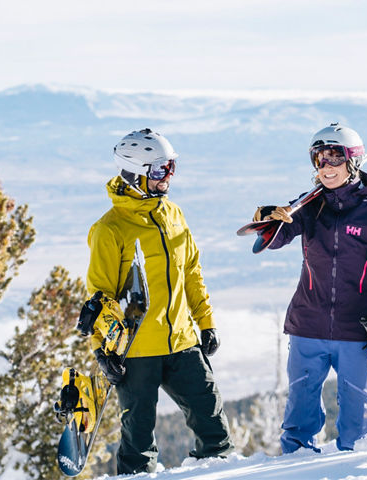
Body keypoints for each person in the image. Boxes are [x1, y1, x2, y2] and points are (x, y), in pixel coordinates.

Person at [85, 128, 233, 473]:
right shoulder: (110, 229)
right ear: (133, 173)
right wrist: (101, 350)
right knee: (137, 442)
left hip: (182, 341)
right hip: (137, 350)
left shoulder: (173, 215)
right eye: (158, 170)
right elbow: (99, 297)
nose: (167, 177)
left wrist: (205, 322)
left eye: (170, 167)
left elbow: (192, 273)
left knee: (214, 427)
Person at [253, 123, 367, 453]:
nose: (326, 167)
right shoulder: (308, 207)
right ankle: (295, 468)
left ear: (353, 162)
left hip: (356, 331)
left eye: (335, 158)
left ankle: (352, 468)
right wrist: (269, 218)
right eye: (319, 160)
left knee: (357, 425)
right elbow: (277, 237)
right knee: (299, 416)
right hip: (308, 326)